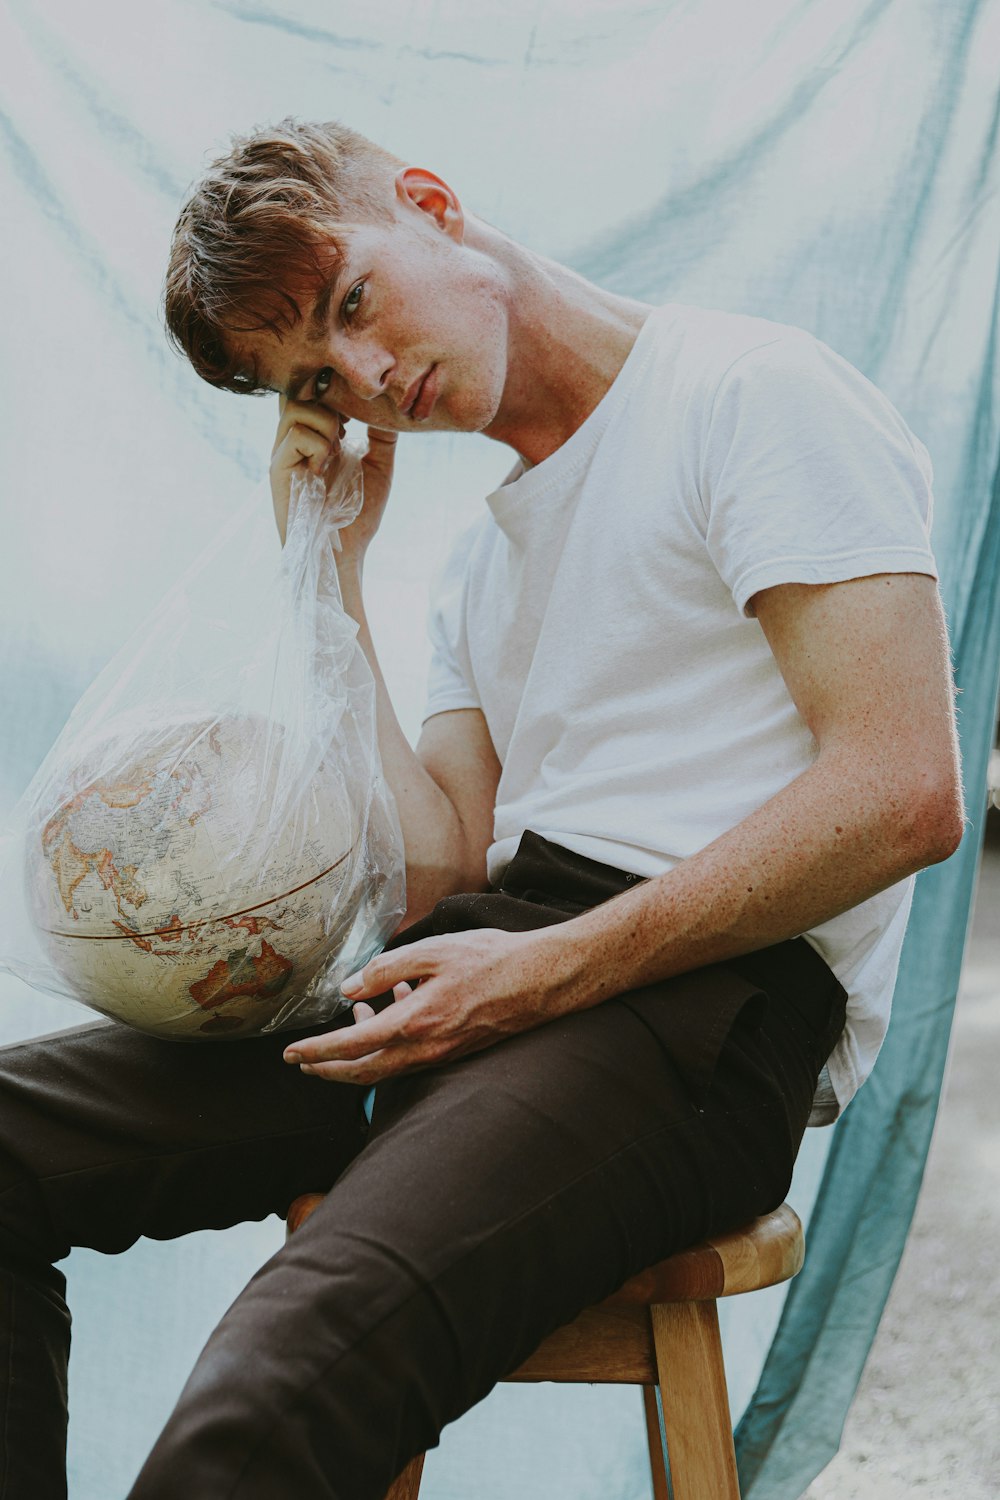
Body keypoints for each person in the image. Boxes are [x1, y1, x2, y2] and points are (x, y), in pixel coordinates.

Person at [0, 118, 963, 1499]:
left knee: (268, 1402)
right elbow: (439, 873)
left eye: (351, 306)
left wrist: (544, 973)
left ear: (433, 206)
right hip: (491, 965)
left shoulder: (750, 395)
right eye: (323, 377)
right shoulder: (480, 569)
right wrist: (324, 574)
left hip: (699, 1016)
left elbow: (903, 791)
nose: (374, 378)